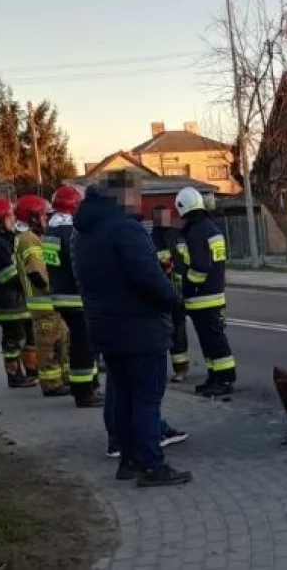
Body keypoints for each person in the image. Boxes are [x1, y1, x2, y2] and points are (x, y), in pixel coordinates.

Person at [74, 170, 191, 487]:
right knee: (146, 400)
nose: (139, 200)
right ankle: (152, 464)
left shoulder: (84, 232)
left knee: (122, 395)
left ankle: (128, 461)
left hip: (105, 327)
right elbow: (147, 278)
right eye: (136, 194)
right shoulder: (125, 229)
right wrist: (175, 301)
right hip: (139, 328)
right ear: (122, 196)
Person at [44, 185, 104, 408]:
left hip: (61, 295)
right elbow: (79, 263)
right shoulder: (70, 230)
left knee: (81, 344)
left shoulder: (51, 230)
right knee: (84, 345)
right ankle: (84, 392)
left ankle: (90, 386)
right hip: (76, 296)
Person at [175, 187, 236, 398]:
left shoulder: (196, 231)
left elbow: (201, 267)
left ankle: (224, 379)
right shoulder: (210, 228)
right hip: (213, 294)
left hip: (202, 297)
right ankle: (215, 376)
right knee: (210, 340)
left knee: (214, 340)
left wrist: (189, 287)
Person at [14, 194, 72, 397]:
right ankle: (51, 384)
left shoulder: (34, 238)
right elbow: (36, 272)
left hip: (50, 305)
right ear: (32, 217)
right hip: (43, 304)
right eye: (43, 216)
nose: (46, 220)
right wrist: (54, 288)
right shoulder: (28, 239)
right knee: (48, 346)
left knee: (62, 342)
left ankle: (62, 379)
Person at [0, 198, 37, 388]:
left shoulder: (5, 239)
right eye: (9, 216)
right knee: (13, 341)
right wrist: (32, 279)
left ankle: (31, 371)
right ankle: (15, 376)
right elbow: (8, 276)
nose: (13, 219)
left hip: (19, 302)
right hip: (8, 304)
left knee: (30, 338)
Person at [150, 205, 190, 383]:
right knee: (159, 332)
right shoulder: (151, 239)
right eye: (160, 216)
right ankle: (158, 370)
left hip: (179, 291)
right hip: (160, 294)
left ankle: (181, 368)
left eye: (166, 215)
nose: (164, 219)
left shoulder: (178, 235)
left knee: (179, 332)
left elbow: (186, 259)